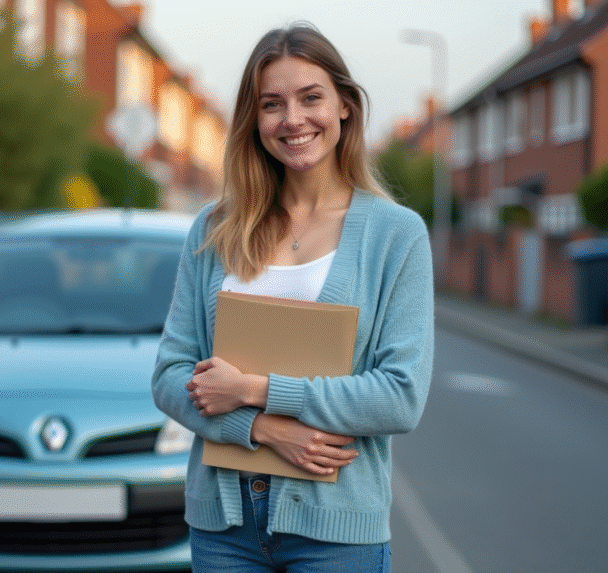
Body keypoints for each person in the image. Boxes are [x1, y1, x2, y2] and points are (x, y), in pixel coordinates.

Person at [152, 22, 433, 573]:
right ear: (254, 121)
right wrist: (263, 429)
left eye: (311, 98)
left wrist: (252, 389)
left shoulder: (395, 235)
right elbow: (169, 377)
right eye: (272, 104)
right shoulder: (214, 230)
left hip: (337, 532)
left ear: (345, 106)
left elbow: (400, 396)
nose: (293, 119)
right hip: (224, 529)